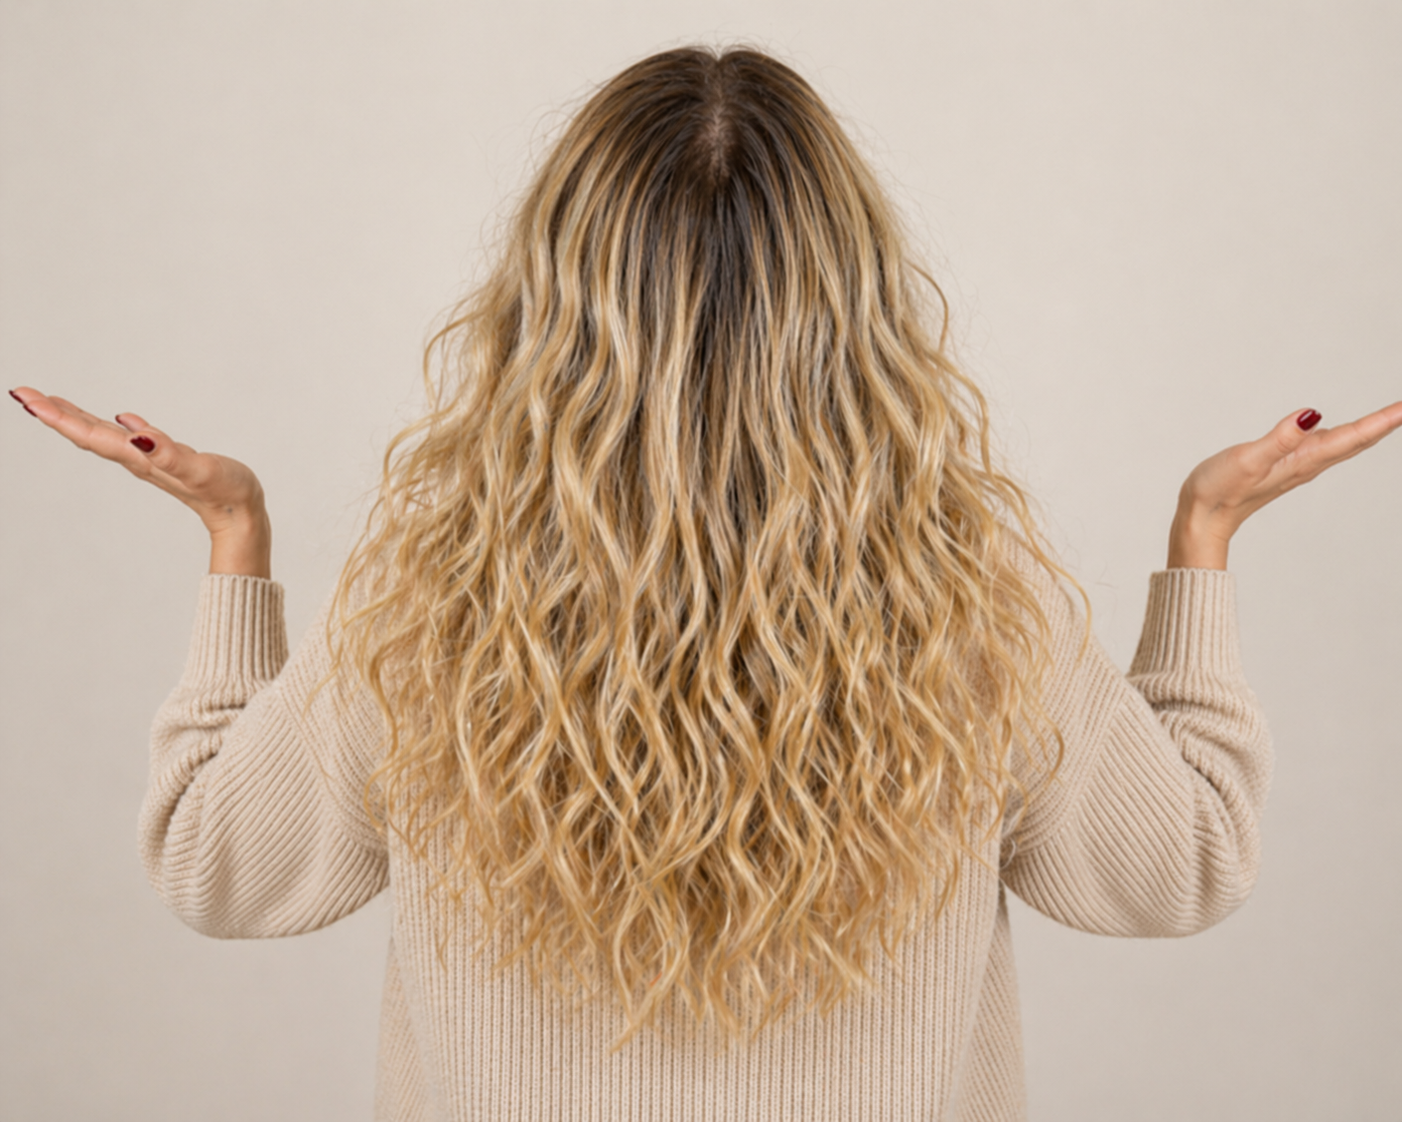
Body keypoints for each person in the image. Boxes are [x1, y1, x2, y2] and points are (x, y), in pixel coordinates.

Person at [8, 44, 1402, 1122]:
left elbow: (220, 874)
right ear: (851, 305)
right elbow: (1175, 876)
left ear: (551, 303)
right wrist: (1202, 538)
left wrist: (235, 540)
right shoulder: (972, 603)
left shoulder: (430, 597)